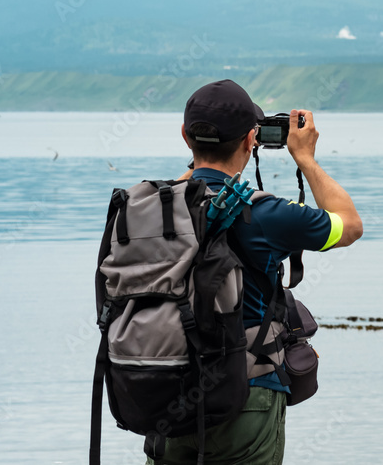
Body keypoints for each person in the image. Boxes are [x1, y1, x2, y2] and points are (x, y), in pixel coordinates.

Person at [147, 79, 364, 465]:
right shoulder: (266, 214)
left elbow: (189, 186)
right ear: (252, 141)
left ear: (184, 136)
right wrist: (306, 159)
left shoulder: (151, 211)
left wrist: (200, 161)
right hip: (245, 397)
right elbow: (349, 225)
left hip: (165, 398)